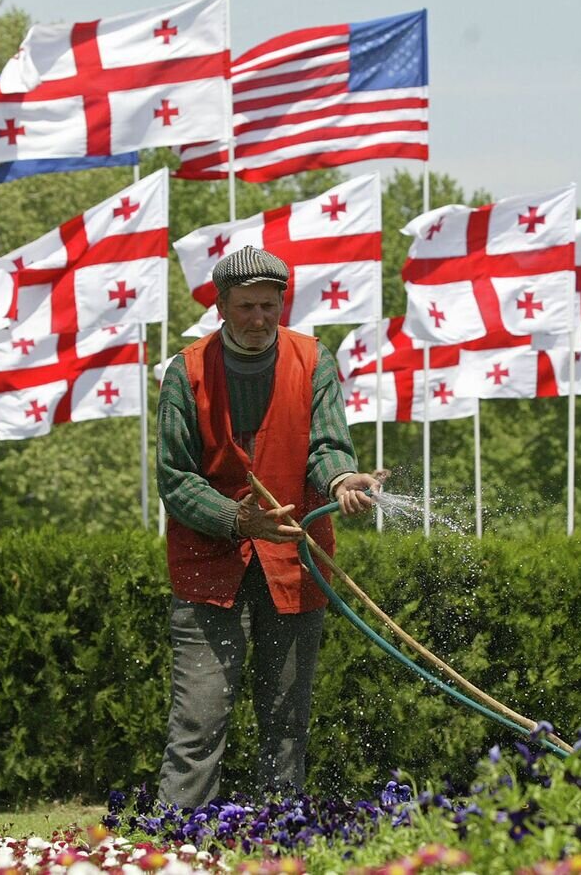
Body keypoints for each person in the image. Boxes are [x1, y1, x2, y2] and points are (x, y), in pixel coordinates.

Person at [156, 245, 384, 808]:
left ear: (282, 303)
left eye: (268, 306)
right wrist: (237, 518)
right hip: (209, 565)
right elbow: (176, 479)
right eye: (245, 307)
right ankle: (174, 842)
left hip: (296, 561)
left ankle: (281, 835)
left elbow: (328, 448)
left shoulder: (315, 361)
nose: (258, 319)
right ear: (221, 308)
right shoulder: (184, 372)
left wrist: (342, 483)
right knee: (200, 718)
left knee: (286, 718)